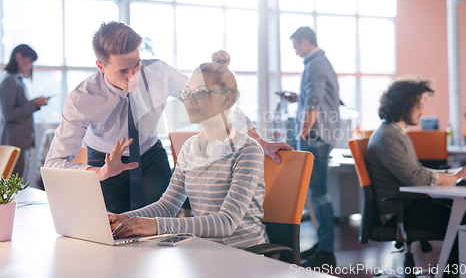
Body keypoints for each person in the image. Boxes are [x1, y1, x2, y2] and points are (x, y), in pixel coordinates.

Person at [45, 21, 290, 214]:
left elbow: (210, 100)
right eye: (123, 71)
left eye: (137, 64)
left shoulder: (158, 72)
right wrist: (98, 172)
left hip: (150, 155)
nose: (134, 76)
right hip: (105, 161)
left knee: (159, 225)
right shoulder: (82, 99)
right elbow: (54, 162)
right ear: (100, 66)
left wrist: (259, 140)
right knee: (113, 230)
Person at [109, 51, 268, 249]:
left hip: (246, 254)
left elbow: (226, 223)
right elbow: (168, 206)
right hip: (205, 252)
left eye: (201, 92)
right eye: (187, 93)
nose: (189, 100)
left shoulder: (248, 151)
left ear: (227, 98)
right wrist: (123, 218)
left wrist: (157, 226)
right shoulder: (190, 148)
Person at [364, 76, 466, 261]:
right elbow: (415, 178)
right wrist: (455, 177)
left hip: (410, 203)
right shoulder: (387, 137)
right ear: (404, 105)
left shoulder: (396, 133)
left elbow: (418, 171)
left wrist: (454, 175)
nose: (422, 112)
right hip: (397, 211)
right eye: (419, 106)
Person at [283, 26, 339, 268]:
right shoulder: (322, 62)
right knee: (318, 194)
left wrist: (302, 135)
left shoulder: (314, 64)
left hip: (314, 137)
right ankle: (323, 244)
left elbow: (314, 103)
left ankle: (327, 251)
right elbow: (315, 98)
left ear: (305, 42)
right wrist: (299, 98)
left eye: (296, 46)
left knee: (319, 194)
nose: (296, 52)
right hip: (321, 135)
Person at [0, 44, 50, 179]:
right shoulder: (9, 81)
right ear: (18, 57)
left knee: (18, 183)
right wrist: (33, 104)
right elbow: (8, 114)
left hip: (19, 141)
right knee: (15, 185)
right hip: (14, 142)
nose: (30, 66)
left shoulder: (16, 80)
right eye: (30, 61)